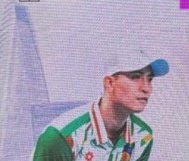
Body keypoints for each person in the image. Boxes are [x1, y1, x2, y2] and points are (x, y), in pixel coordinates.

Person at [33, 48, 169, 161]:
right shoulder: (61, 136)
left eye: (150, 79)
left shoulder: (142, 136)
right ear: (110, 83)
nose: (146, 88)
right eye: (135, 77)